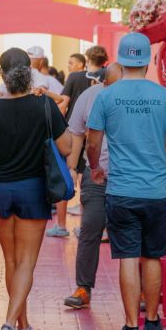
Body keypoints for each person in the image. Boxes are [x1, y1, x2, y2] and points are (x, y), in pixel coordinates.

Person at [86, 33, 166, 330]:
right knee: (152, 256)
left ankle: (131, 328)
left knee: (127, 258)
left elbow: (93, 142)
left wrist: (94, 166)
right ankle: (152, 323)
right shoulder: (163, 97)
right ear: (147, 61)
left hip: (121, 189)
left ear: (120, 61)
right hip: (156, 191)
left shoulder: (106, 96)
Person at [0, 48, 71, 330]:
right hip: (33, 191)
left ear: (2, 75)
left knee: (11, 260)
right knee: (25, 262)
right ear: (29, 74)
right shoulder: (45, 107)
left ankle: (23, 325)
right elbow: (66, 146)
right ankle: (10, 323)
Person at [63, 63, 123, 309]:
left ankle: (140, 291)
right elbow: (76, 134)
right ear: (104, 82)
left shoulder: (133, 96)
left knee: (130, 232)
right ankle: (83, 288)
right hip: (95, 175)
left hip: (127, 176)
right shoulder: (89, 97)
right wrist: (73, 169)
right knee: (90, 228)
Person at [45, 46, 109, 238]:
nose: (70, 66)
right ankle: (86, 225)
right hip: (97, 140)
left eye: (71, 63)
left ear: (85, 61)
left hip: (75, 134)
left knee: (67, 178)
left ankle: (62, 225)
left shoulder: (74, 78)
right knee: (86, 180)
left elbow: (63, 103)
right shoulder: (109, 79)